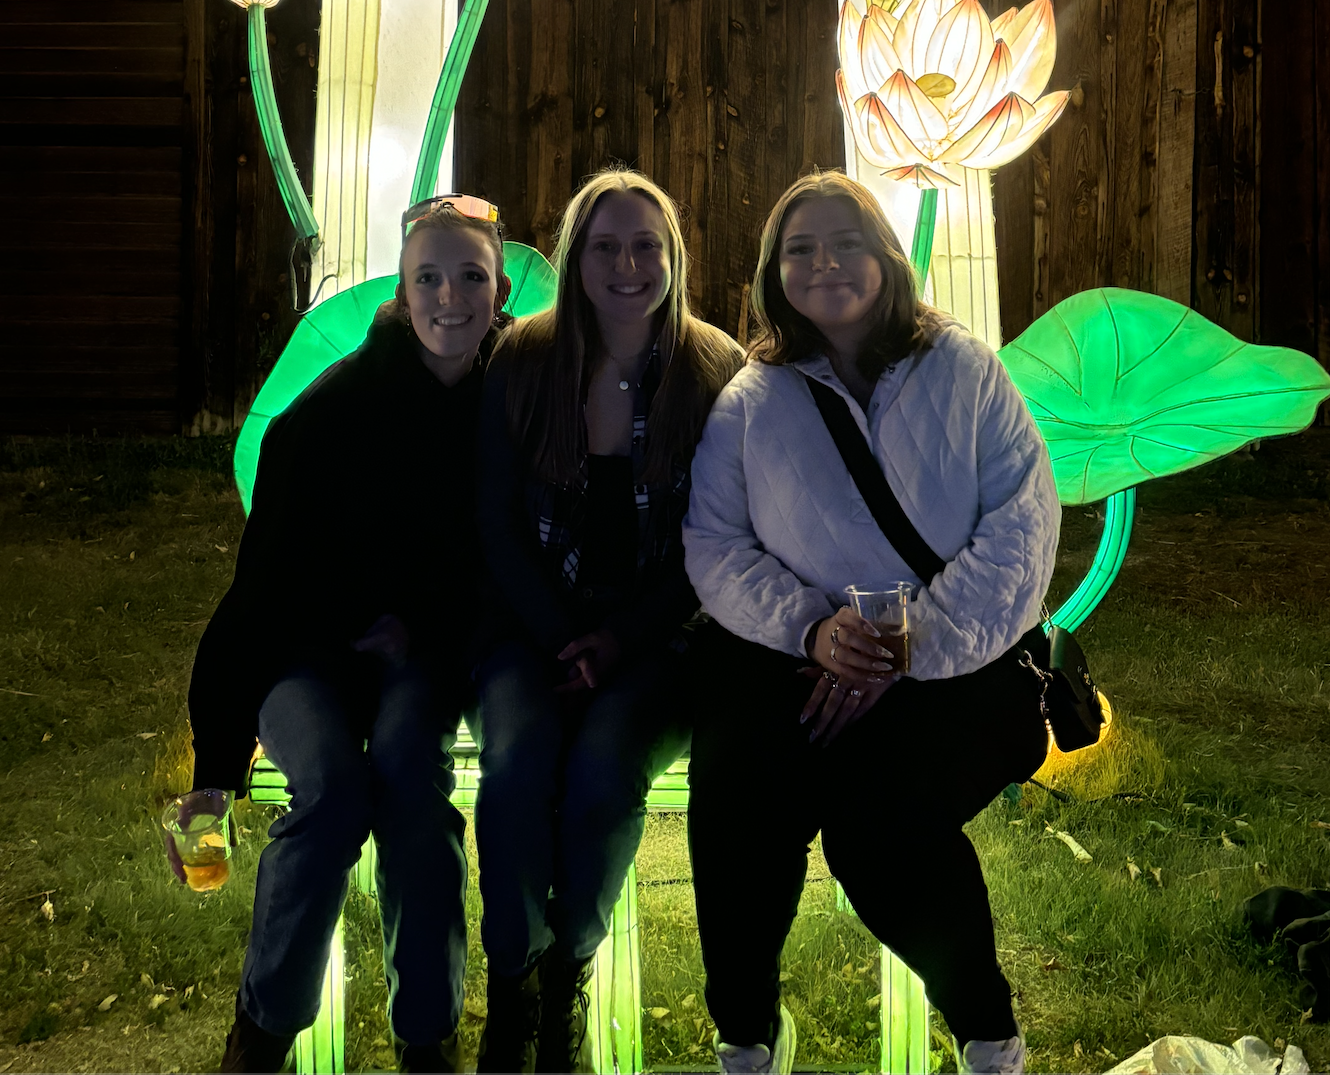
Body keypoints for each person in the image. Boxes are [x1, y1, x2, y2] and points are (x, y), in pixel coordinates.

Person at [682, 170, 1060, 1075]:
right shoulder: (751, 402)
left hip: (961, 668)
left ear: (885, 256)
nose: (826, 263)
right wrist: (815, 633)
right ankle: (746, 1037)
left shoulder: (965, 370)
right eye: (801, 248)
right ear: (774, 273)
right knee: (736, 805)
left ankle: (989, 1039)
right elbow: (715, 544)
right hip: (802, 666)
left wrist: (905, 649)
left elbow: (1024, 523)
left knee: (880, 827)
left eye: (846, 242)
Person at [175, 196, 511, 1075]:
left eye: (470, 276)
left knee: (412, 791)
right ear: (400, 292)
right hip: (306, 654)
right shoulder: (327, 413)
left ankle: (427, 1038)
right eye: (427, 278)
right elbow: (257, 589)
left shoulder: (513, 404)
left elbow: (506, 558)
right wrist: (215, 770)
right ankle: (262, 1034)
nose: (449, 297)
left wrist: (422, 625)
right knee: (329, 795)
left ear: (500, 291)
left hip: (421, 657)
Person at [474, 169, 743, 1074]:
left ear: (673, 259)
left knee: (603, 768)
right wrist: (562, 637)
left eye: (645, 246)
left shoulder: (715, 374)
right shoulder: (522, 361)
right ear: (574, 258)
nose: (627, 265)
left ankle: (567, 978)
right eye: (605, 246)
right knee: (516, 766)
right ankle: (512, 981)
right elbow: (494, 521)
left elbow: (718, 539)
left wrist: (620, 641)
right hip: (530, 627)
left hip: (662, 635)